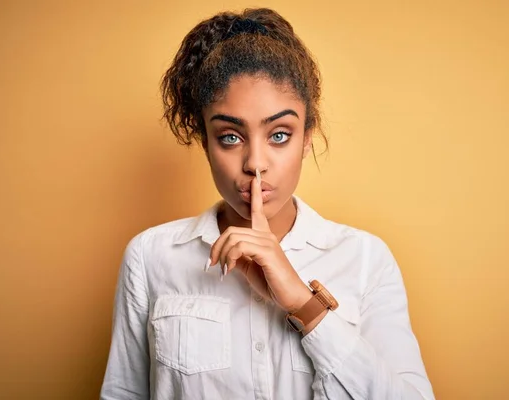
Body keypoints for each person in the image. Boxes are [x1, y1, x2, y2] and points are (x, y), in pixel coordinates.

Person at [101, 7, 434, 400]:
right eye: (229, 136)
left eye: (279, 135)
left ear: (307, 137)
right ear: (204, 142)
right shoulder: (151, 257)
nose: (255, 164)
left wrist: (302, 303)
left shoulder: (364, 260)